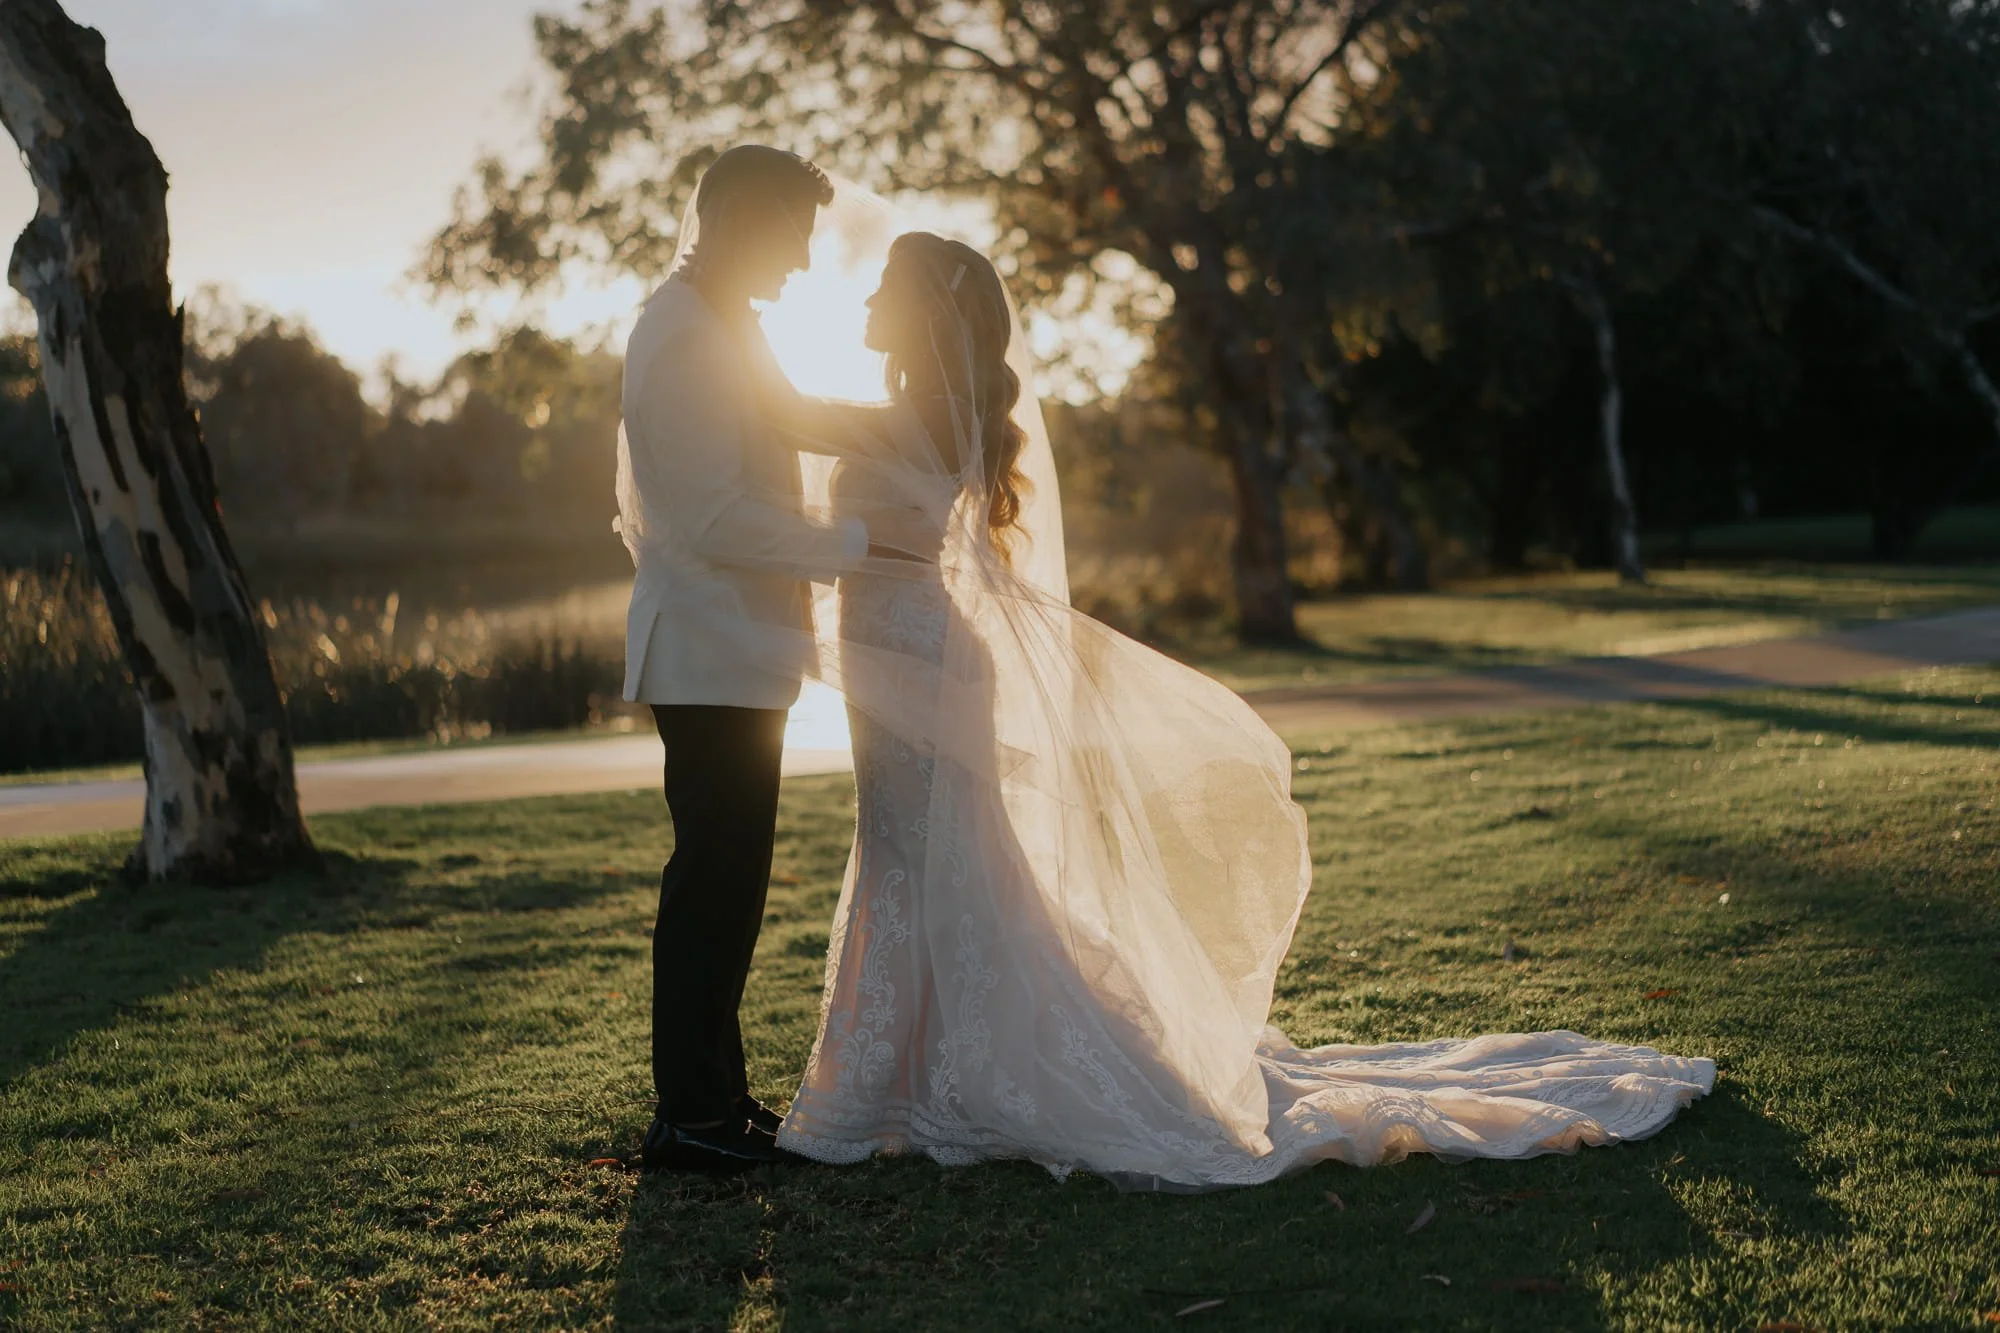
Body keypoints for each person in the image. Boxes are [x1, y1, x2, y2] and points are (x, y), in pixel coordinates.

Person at [755, 222, 1715, 1190]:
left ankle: (918, 1078)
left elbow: (781, 412)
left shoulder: (913, 416)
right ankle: (906, 1073)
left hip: (920, 652)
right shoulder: (916, 410)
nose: (866, 304)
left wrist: (730, 324)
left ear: (927, 312)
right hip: (903, 652)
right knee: (915, 851)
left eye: (883, 288)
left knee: (936, 854)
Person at [617, 145, 897, 1173]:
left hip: (733, 654)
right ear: (739, 221)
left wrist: (922, 429)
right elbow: (714, 517)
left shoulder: (727, 325)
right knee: (712, 883)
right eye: (792, 236)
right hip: (705, 652)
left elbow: (793, 418)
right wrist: (857, 548)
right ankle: (691, 1117)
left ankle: (720, 1102)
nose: (801, 263)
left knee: (730, 882)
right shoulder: (685, 336)